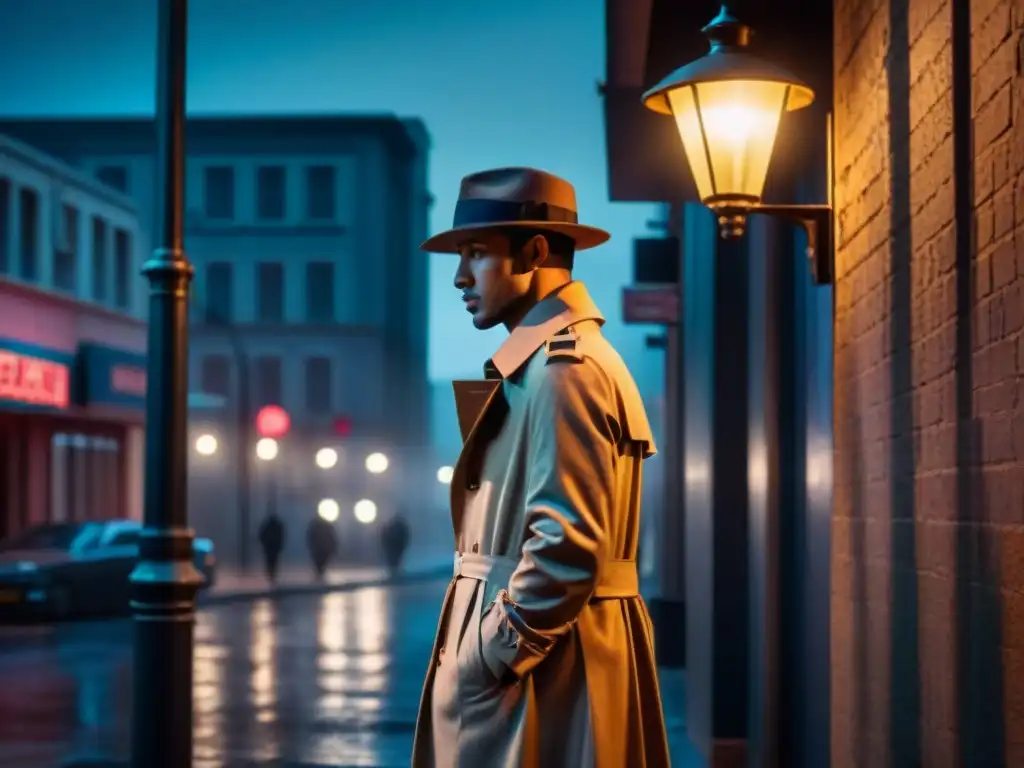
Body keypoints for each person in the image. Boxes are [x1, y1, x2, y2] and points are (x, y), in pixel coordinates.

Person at [411, 168, 669, 767]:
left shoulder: (564, 371)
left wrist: (494, 654)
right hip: (547, 664)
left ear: (533, 252)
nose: (459, 277)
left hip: (542, 675)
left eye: (476, 254)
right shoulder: (549, 367)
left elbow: (568, 546)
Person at [306, 514, 338, 581]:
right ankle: (319, 575)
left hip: (324, 549)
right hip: (320, 549)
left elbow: (332, 538)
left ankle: (320, 575)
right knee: (319, 563)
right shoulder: (317, 526)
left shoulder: (326, 527)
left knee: (321, 563)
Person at [257, 512, 285, 584]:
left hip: (270, 547)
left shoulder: (268, 526)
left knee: (270, 561)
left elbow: (262, 535)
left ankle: (271, 574)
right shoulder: (277, 526)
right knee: (273, 562)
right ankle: (272, 574)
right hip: (272, 547)